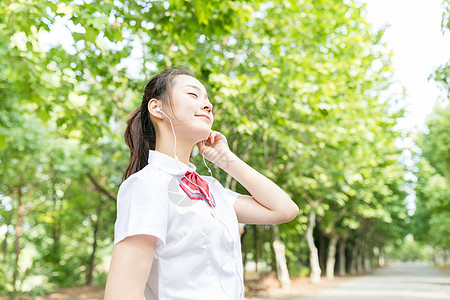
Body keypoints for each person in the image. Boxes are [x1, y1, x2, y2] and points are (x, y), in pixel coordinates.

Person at [104, 68, 299, 300]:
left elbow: (284, 210)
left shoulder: (211, 189)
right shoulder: (146, 185)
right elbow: (123, 294)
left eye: (208, 100)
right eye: (193, 95)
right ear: (157, 108)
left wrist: (225, 158)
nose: (208, 106)